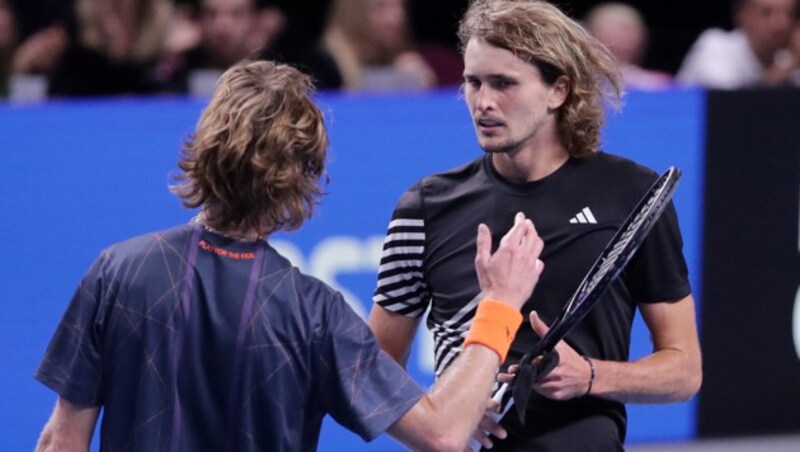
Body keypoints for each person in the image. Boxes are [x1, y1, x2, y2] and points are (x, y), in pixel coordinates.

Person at [34, 59, 546, 451]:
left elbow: (62, 441)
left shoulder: (118, 271)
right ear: (301, 178)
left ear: (206, 145)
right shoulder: (314, 314)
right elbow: (443, 434)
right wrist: (499, 305)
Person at [368, 1, 703, 450]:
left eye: (503, 83)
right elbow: (372, 374)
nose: (482, 101)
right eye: (473, 82)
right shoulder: (423, 208)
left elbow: (684, 371)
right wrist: (438, 414)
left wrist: (590, 376)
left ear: (558, 91)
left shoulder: (632, 195)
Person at [676, 0, 799, 89]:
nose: (782, 24)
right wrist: (788, 67)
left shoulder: (785, 59)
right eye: (766, 13)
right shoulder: (715, 46)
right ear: (743, 16)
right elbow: (733, 107)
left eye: (789, 14)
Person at [321, 0, 436, 91]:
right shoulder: (324, 66)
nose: (397, 18)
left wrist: (419, 86)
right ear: (354, 12)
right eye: (381, 6)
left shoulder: (403, 62)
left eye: (400, 6)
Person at [584, 2, 673, 90]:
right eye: (612, 31)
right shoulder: (580, 84)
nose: (620, 38)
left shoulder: (660, 84)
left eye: (627, 30)